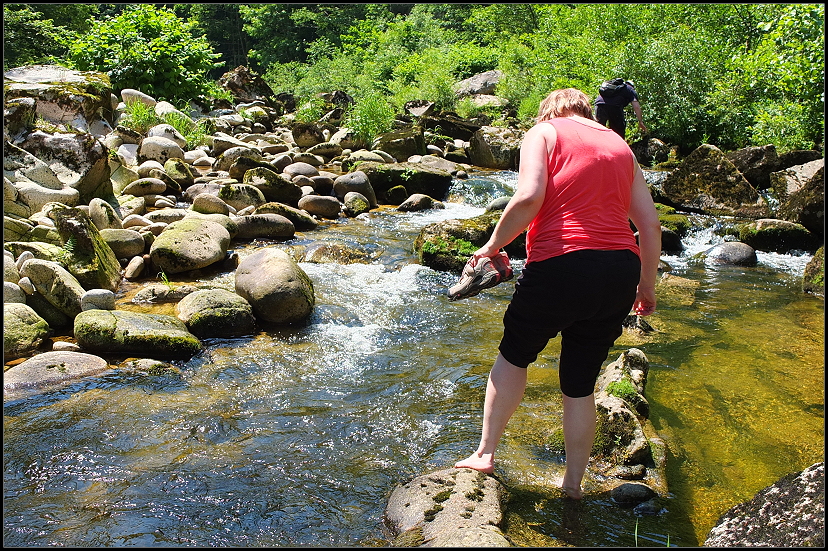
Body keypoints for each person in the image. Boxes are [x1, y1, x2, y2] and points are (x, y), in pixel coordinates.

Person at [454, 88, 661, 500]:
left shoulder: (545, 133)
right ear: (589, 112)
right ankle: (572, 485)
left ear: (549, 111)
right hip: (619, 271)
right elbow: (650, 226)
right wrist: (646, 286)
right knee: (580, 383)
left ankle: (484, 454)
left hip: (561, 262)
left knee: (515, 354)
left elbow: (529, 197)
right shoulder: (621, 147)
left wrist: (491, 247)